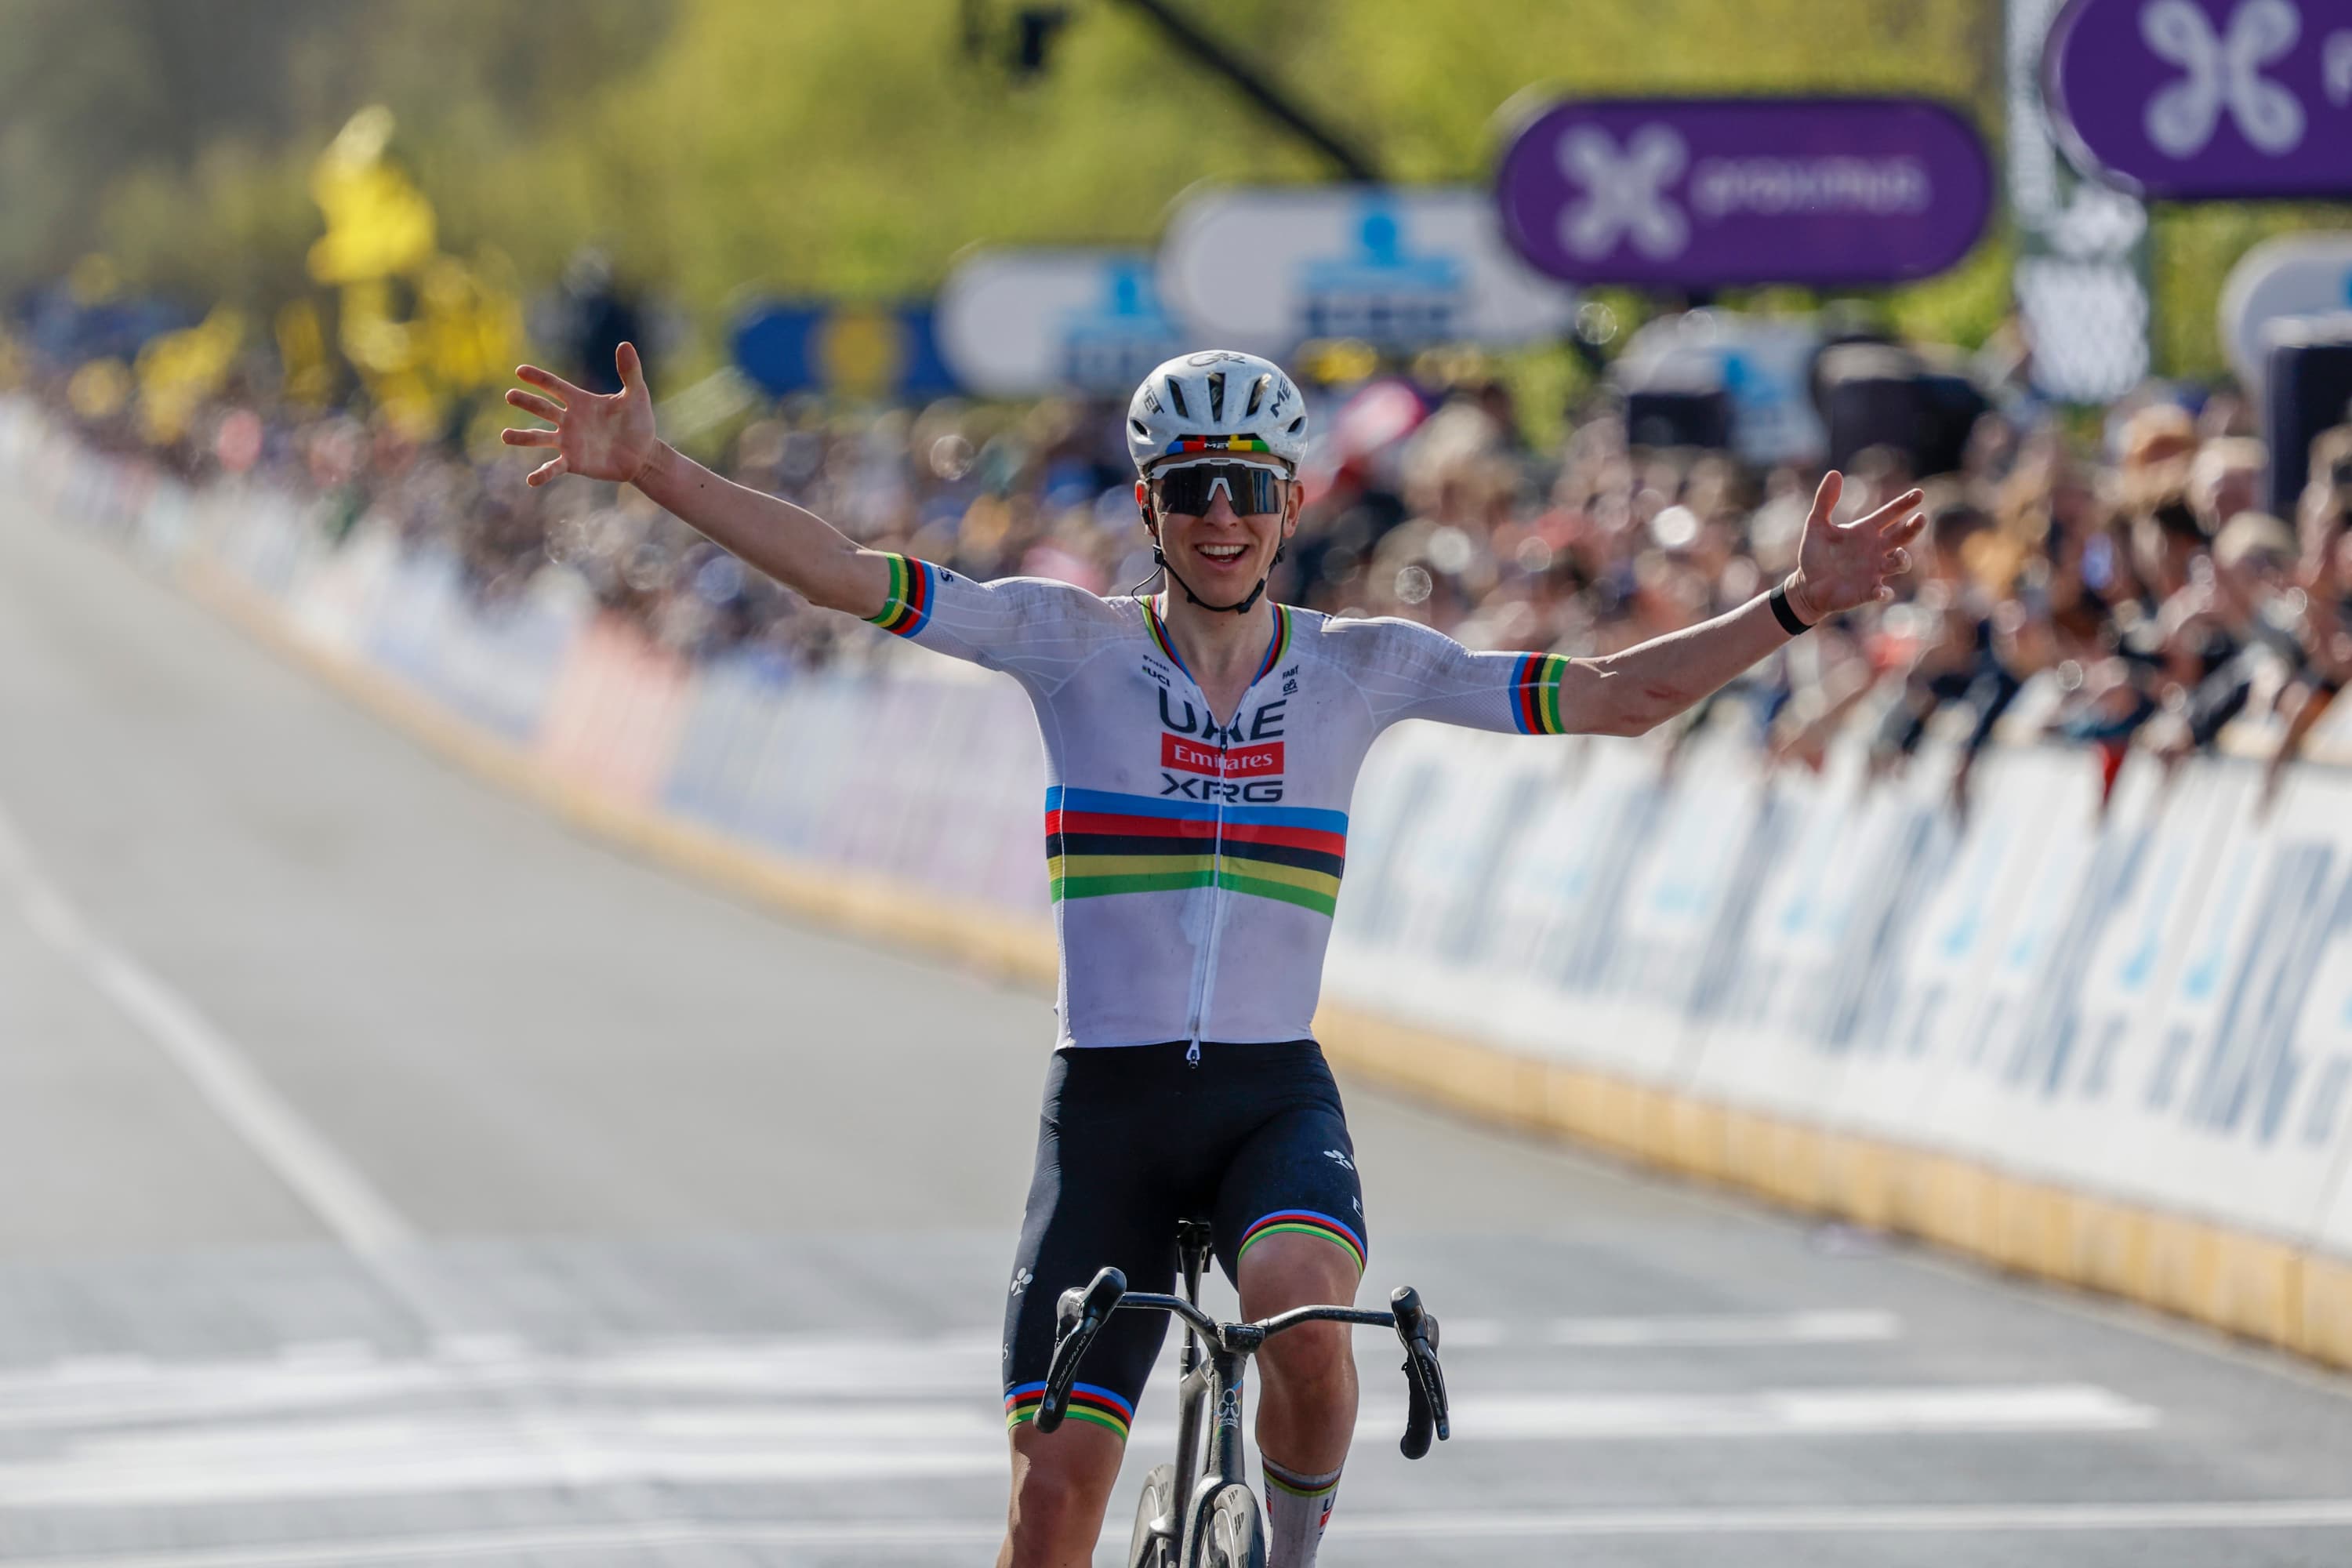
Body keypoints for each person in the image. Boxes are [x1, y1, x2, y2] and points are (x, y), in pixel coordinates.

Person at [504, 344, 1923, 1568]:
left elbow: (1615, 697)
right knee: (1052, 1509)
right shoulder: (1067, 646)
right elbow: (848, 576)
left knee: (1310, 1324)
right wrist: (659, 471)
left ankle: (1293, 1554)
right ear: (1151, 507)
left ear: (1293, 503)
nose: (1225, 515)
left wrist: (1794, 605)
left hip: (1267, 1098)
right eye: (1193, 487)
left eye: (1251, 487)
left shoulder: (1366, 666)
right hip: (1111, 1111)